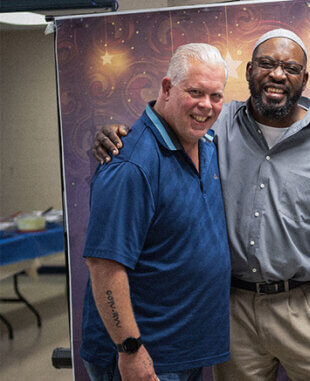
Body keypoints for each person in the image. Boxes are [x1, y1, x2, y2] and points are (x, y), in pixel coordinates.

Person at [92, 29, 310, 381]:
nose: (278, 74)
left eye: (290, 68)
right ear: (249, 71)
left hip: (305, 307)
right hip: (230, 310)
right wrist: (113, 134)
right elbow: (162, 123)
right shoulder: (213, 122)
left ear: (304, 79)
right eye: (266, 64)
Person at [80, 43, 231, 381]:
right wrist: (130, 350)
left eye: (216, 96)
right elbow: (104, 267)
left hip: (182, 349)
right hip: (145, 356)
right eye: (195, 92)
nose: (206, 106)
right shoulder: (131, 163)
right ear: (166, 88)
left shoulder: (205, 146)